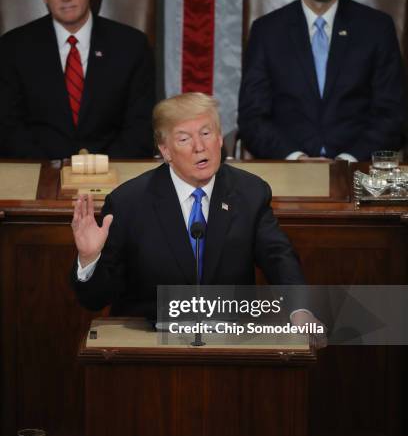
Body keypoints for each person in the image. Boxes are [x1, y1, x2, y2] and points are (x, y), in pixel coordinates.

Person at [71, 92, 314, 328]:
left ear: (219, 138)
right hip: (151, 347)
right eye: (184, 139)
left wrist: (299, 309)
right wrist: (90, 258)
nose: (199, 147)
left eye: (206, 133)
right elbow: (95, 300)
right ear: (165, 150)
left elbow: (278, 257)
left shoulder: (250, 193)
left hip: (229, 343)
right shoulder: (129, 203)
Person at [238, 0, 406, 161]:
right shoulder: (267, 31)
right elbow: (252, 117)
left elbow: (392, 114)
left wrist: (348, 159)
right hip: (287, 166)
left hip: (357, 167)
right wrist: (295, 158)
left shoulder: (376, 29)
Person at [0, 0, 154, 159]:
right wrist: (49, 169)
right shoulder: (13, 47)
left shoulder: (132, 45)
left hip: (113, 171)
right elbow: (8, 125)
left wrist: (100, 167)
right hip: (38, 171)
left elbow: (140, 125)